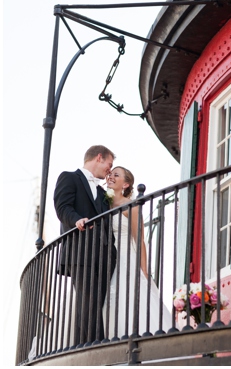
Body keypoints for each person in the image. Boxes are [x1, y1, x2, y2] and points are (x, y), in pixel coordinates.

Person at [53, 145, 116, 346]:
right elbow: (62, 207)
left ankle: (83, 348)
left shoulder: (101, 191)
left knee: (92, 304)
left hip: (104, 256)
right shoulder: (69, 177)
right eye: (109, 164)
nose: (110, 169)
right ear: (99, 157)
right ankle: (99, 348)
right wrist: (77, 220)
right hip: (80, 251)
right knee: (88, 300)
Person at [103, 166, 173, 337]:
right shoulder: (104, 203)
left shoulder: (131, 206)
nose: (111, 176)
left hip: (126, 258)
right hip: (107, 258)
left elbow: (140, 240)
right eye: (110, 174)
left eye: (116, 175)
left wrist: (144, 271)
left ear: (126, 184)